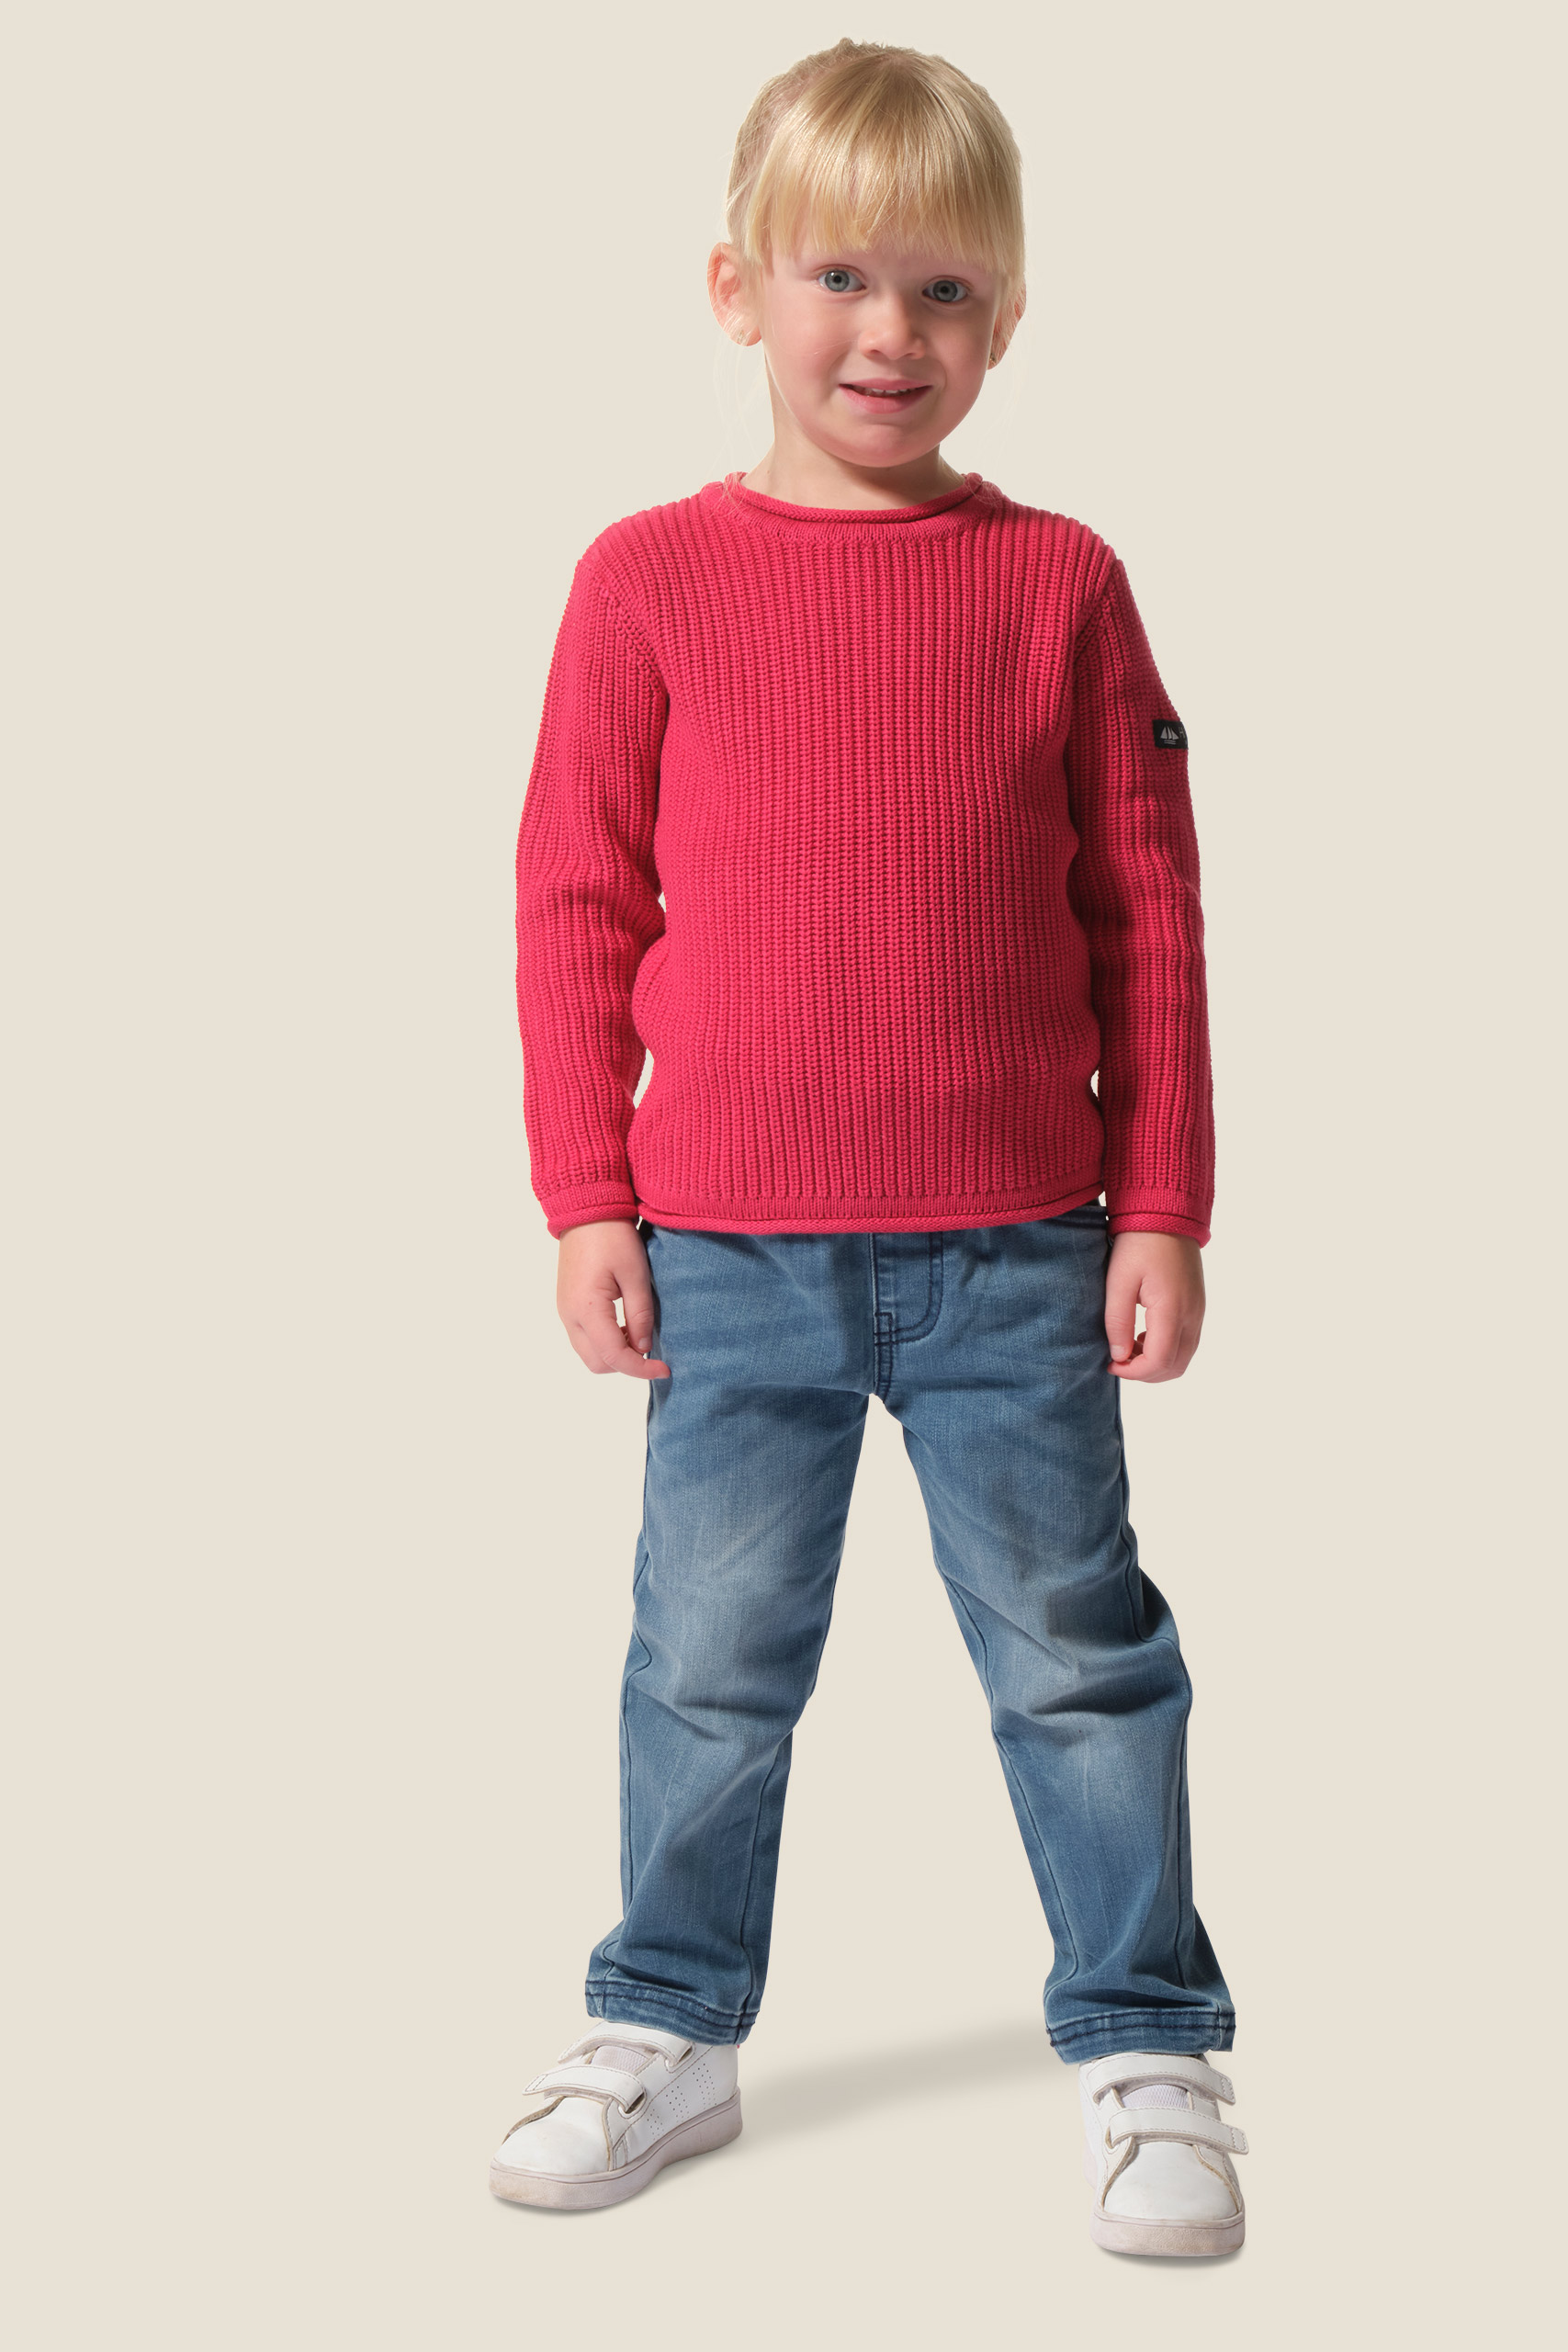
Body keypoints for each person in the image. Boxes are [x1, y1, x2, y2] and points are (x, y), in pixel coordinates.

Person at [492, 38, 1249, 2256]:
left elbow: (1146, 910)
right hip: (723, 1245)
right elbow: (574, 897)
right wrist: (583, 1188)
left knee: (1073, 1652)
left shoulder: (1060, 580)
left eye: (943, 290)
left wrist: (1164, 1204)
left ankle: (1145, 2035)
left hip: (1018, 1243)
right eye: (839, 276)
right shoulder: (644, 577)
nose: (888, 333)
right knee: (704, 1656)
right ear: (736, 289)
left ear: (1003, 317)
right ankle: (666, 2017)